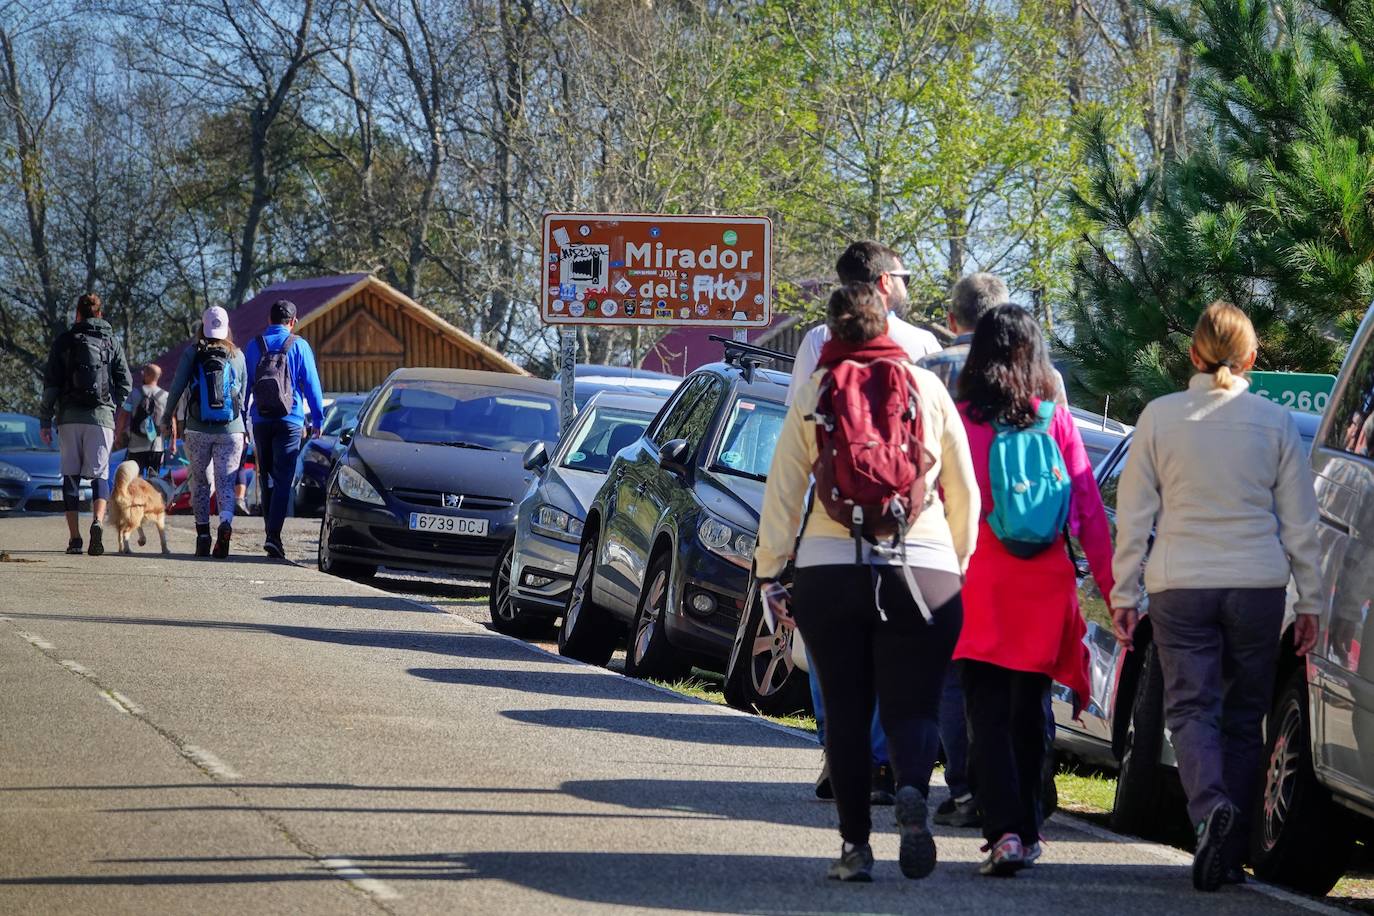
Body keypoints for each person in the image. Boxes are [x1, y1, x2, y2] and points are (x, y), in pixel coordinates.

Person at [757, 282, 978, 882]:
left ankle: (855, 847)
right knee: (915, 703)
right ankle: (911, 791)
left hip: (831, 570)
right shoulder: (928, 389)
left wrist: (771, 572)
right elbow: (964, 490)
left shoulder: (814, 392)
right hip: (923, 569)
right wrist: (957, 564)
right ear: (887, 326)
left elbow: (782, 495)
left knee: (849, 715)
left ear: (830, 333)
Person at [1110, 301, 1322, 892]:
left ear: (1193, 354)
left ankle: (1208, 813)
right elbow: (1301, 522)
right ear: (1252, 356)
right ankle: (1226, 853)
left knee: (1190, 709)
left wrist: (1125, 591)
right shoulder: (1274, 423)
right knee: (1242, 715)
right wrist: (1310, 603)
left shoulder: (1160, 417)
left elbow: (1134, 515)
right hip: (1256, 584)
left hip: (1182, 583)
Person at [954, 304, 1115, 876]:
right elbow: (1090, 511)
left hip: (984, 581)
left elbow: (938, 499)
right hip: (1046, 585)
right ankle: (1027, 825)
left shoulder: (964, 418)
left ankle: (1005, 834)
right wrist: (1116, 592)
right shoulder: (1056, 421)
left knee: (986, 715)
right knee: (1028, 711)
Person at [791, 240, 939, 804]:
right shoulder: (922, 344)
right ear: (883, 284)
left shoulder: (815, 341)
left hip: (830, 513)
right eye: (902, 275)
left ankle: (840, 752)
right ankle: (880, 761)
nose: (906, 284)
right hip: (902, 519)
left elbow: (801, 427)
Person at [921, 273, 1067, 829]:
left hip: (963, 558)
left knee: (963, 683)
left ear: (956, 320)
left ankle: (969, 790)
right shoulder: (1047, 384)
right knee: (1029, 687)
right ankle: (1033, 788)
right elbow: (1064, 472)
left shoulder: (934, 375)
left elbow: (927, 473)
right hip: (1038, 561)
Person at [786, 241, 941, 405]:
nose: (905, 286)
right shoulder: (924, 342)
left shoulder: (818, 338)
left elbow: (799, 411)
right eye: (904, 278)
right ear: (886, 281)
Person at [38, 292, 133, 556]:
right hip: (101, 419)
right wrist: (112, 405)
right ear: (100, 314)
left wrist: (45, 419)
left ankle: (75, 539)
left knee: (70, 476)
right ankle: (97, 522)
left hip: (69, 419)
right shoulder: (111, 341)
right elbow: (126, 382)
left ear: (77, 314)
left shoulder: (64, 341)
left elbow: (51, 385)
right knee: (100, 474)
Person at [163, 307, 247, 559]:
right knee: (225, 482)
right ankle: (225, 523)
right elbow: (241, 395)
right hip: (231, 429)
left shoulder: (193, 353)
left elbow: (177, 386)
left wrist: (168, 417)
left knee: (200, 483)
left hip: (198, 428)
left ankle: (202, 536)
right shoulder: (237, 354)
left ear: (203, 327)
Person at [243, 299, 325, 558]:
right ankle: (273, 536)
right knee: (283, 479)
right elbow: (312, 386)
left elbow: (245, 386)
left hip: (261, 420)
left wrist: (244, 418)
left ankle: (271, 534)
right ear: (293, 321)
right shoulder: (299, 345)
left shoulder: (253, 346)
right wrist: (318, 420)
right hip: (290, 420)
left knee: (265, 475)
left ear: (269, 320)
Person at [115, 364, 173, 477]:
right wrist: (173, 442)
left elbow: (123, 416)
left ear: (146, 375)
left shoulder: (134, 394)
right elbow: (171, 420)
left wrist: (118, 435)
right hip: (157, 446)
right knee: (154, 479)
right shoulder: (166, 396)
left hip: (136, 446)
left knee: (135, 479)